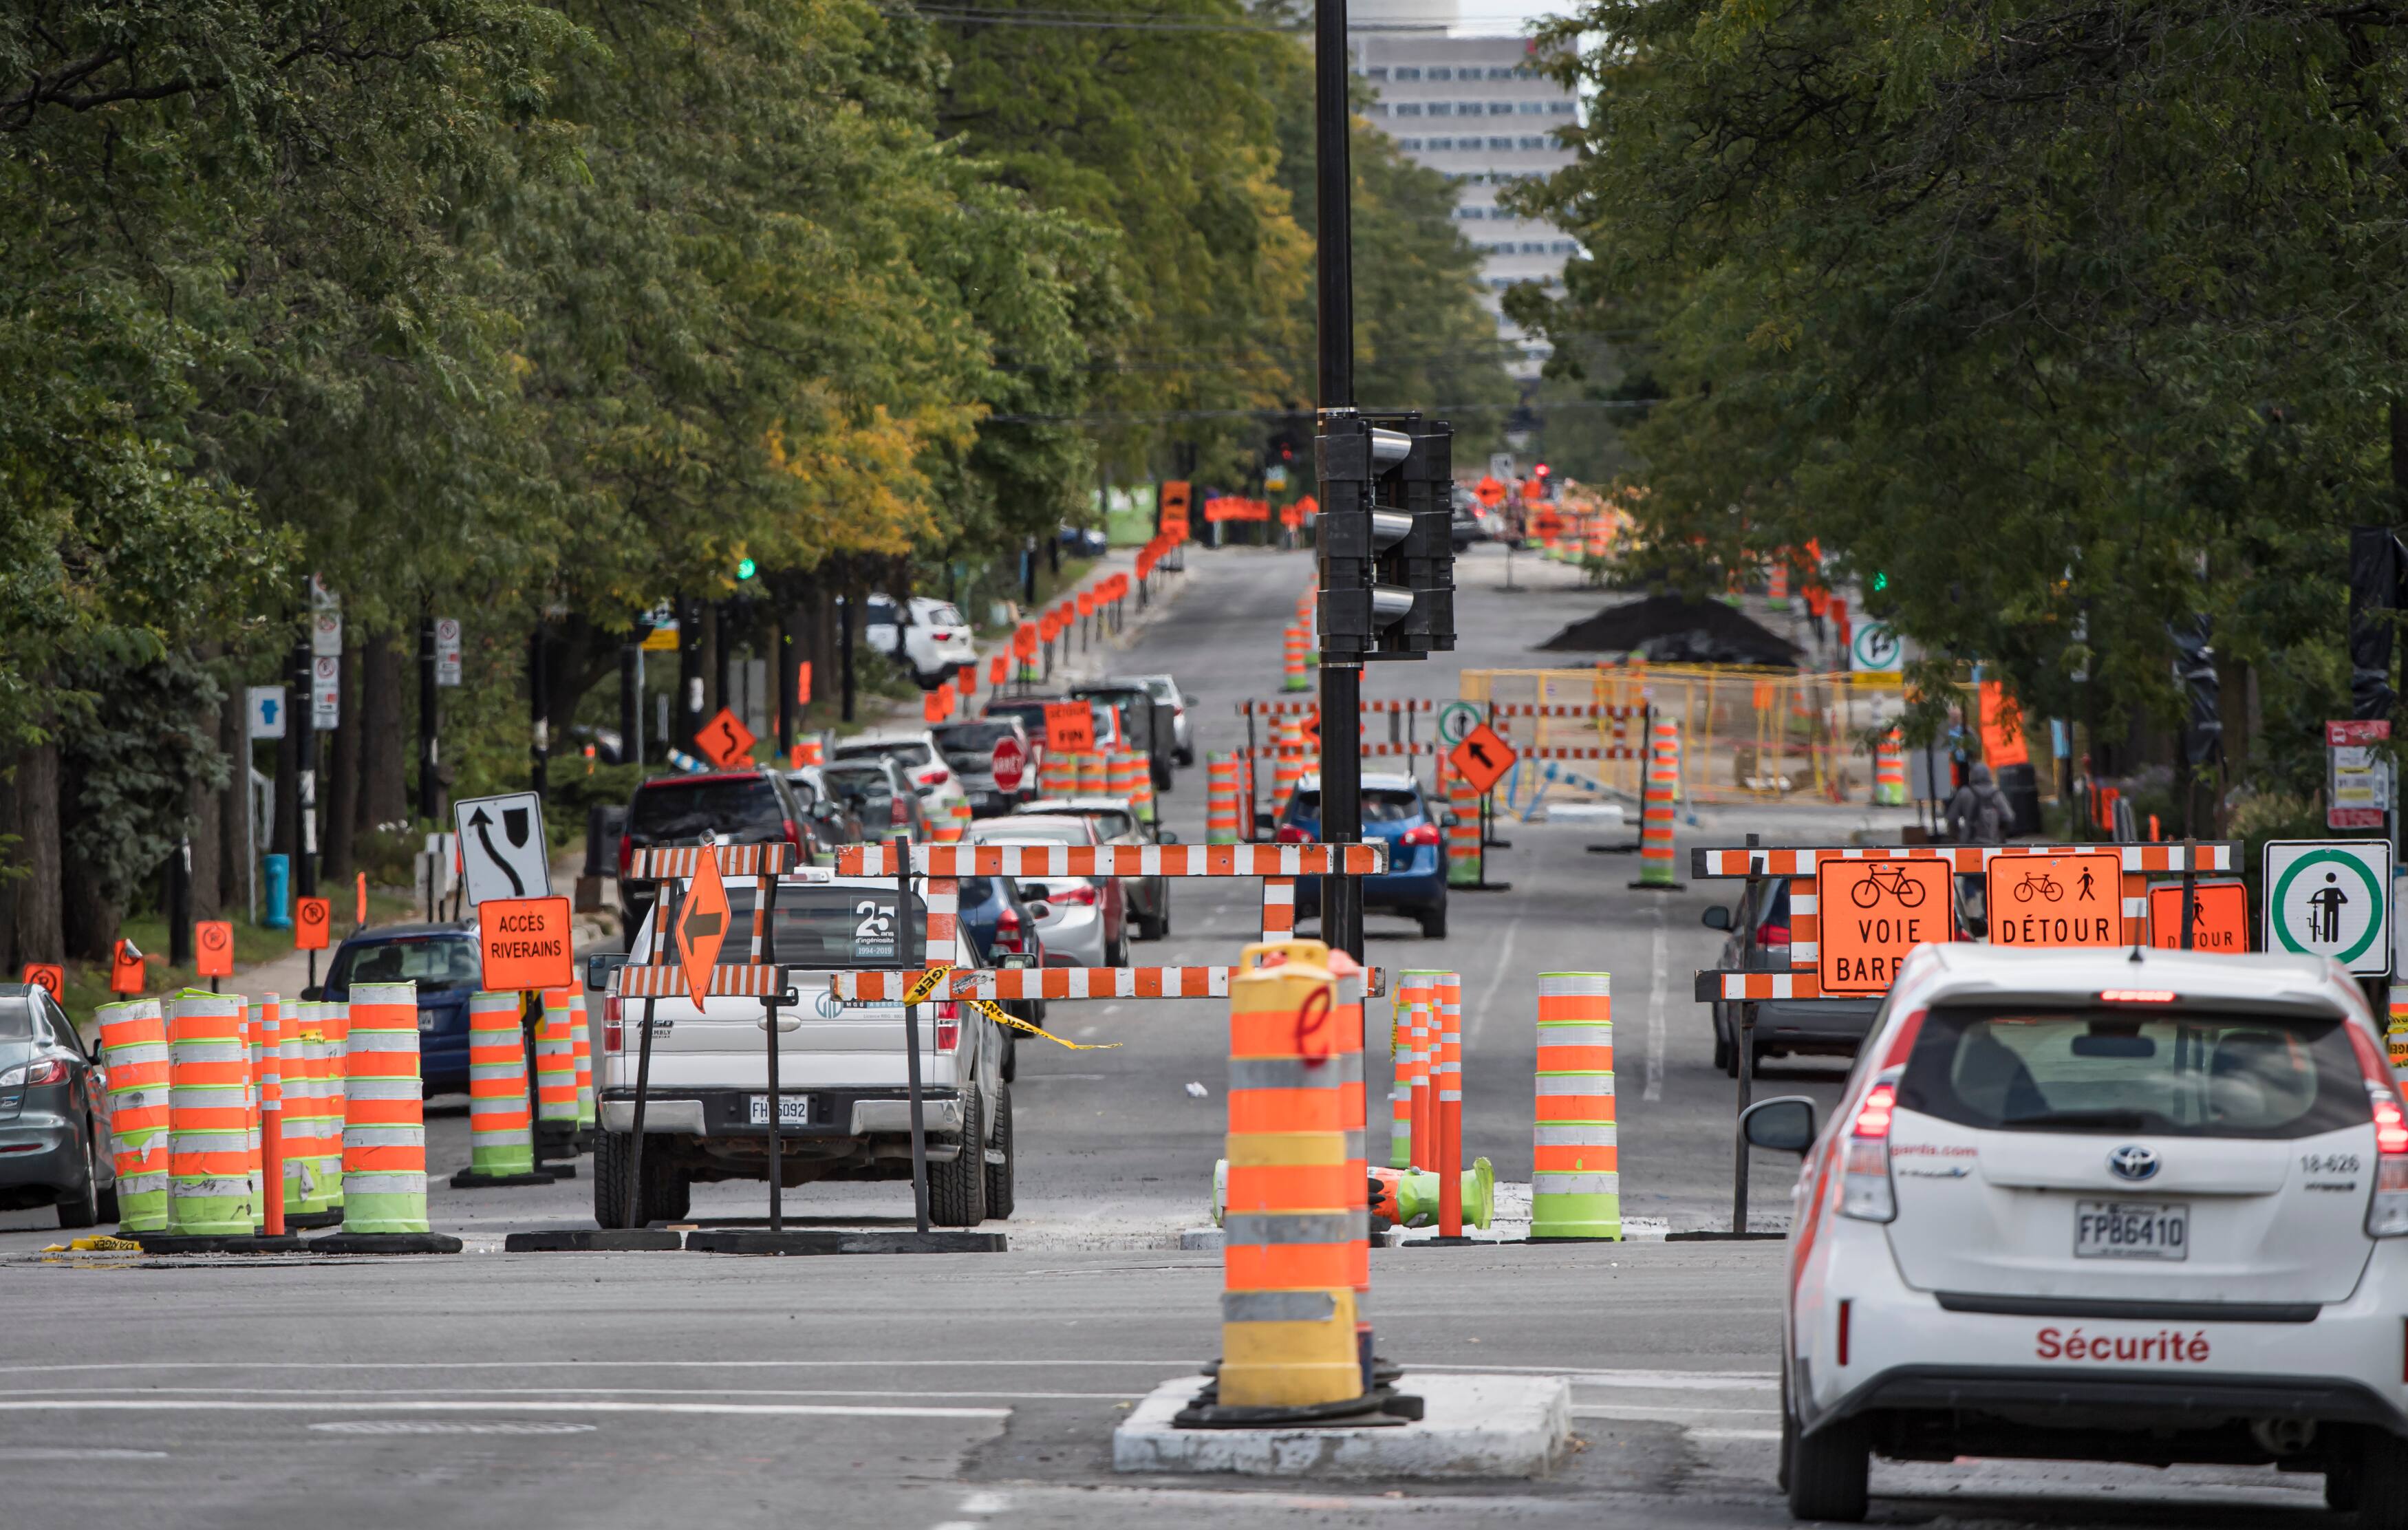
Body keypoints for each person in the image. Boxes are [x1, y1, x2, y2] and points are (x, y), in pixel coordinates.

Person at [1945, 762, 2013, 844]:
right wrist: (2000, 836)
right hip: (1992, 843)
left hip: (1969, 843)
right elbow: (2008, 817)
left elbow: (1952, 818)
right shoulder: (1997, 794)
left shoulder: (1964, 793)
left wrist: (1957, 837)